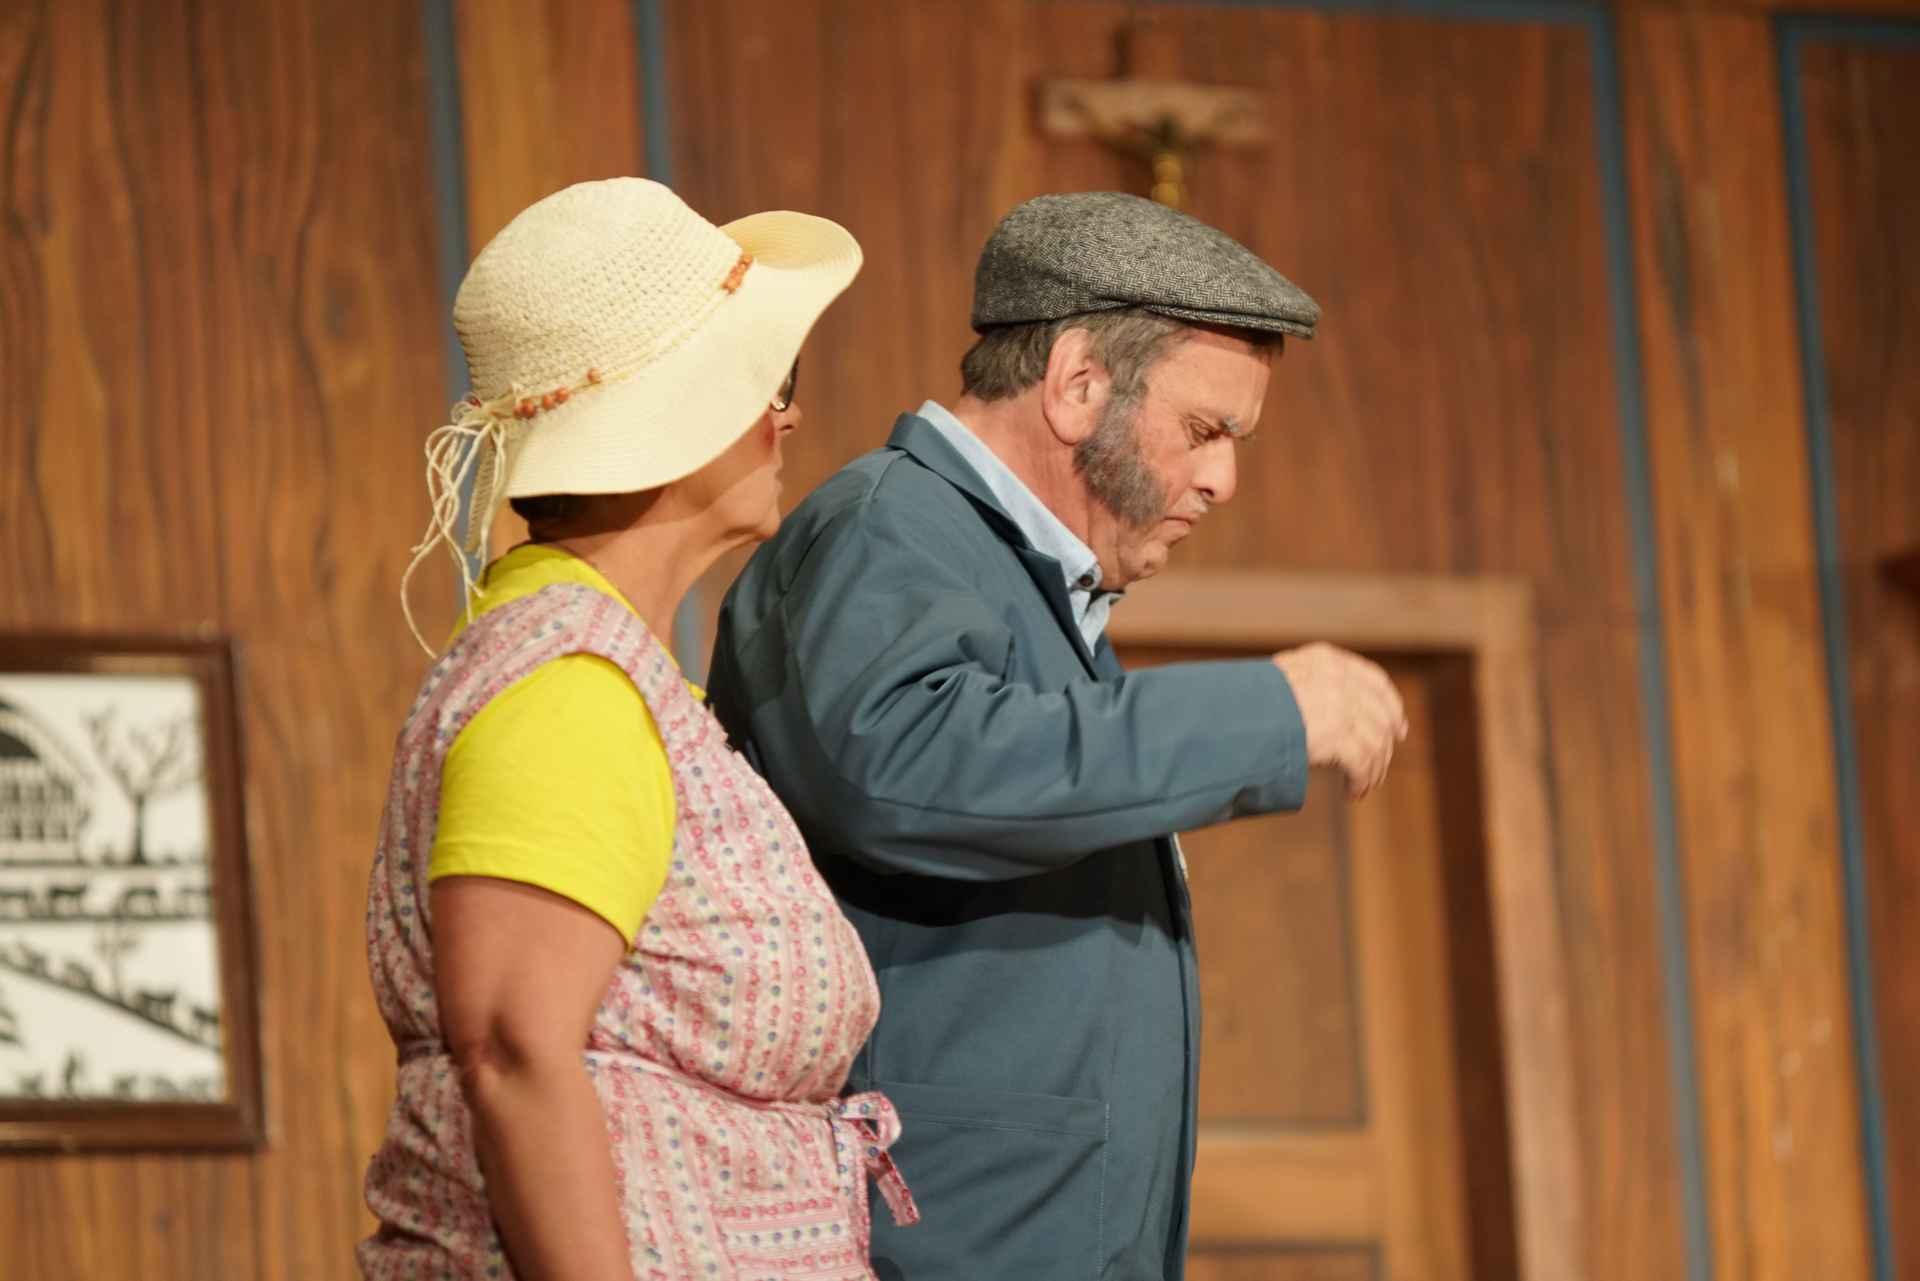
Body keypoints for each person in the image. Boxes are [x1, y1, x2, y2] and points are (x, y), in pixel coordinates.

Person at [705, 192, 1406, 1281]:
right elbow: (900, 763)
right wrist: (1268, 711)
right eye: (1205, 431)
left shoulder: (1016, 580)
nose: (1222, 480)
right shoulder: (890, 525)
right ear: (1079, 383)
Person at [359, 177, 916, 1281]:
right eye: (767, 383)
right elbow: (513, 1048)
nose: (787, 416)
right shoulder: (567, 684)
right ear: (681, 419)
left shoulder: (612, 674)